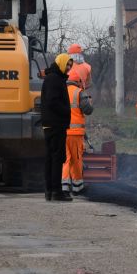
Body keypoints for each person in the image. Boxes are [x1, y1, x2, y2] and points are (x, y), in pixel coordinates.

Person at [40, 53, 74, 201]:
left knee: (50, 157)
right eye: (67, 65)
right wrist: (66, 111)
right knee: (56, 158)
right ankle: (56, 191)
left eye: (70, 66)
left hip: (51, 124)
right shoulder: (55, 79)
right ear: (60, 63)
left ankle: (49, 191)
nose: (68, 68)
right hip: (56, 124)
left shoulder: (52, 78)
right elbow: (53, 101)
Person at [62, 66, 94, 196]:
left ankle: (64, 186)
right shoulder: (79, 92)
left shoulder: (59, 91)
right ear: (78, 81)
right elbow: (88, 110)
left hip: (61, 132)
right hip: (75, 133)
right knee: (76, 159)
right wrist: (90, 102)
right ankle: (77, 187)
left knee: (65, 159)